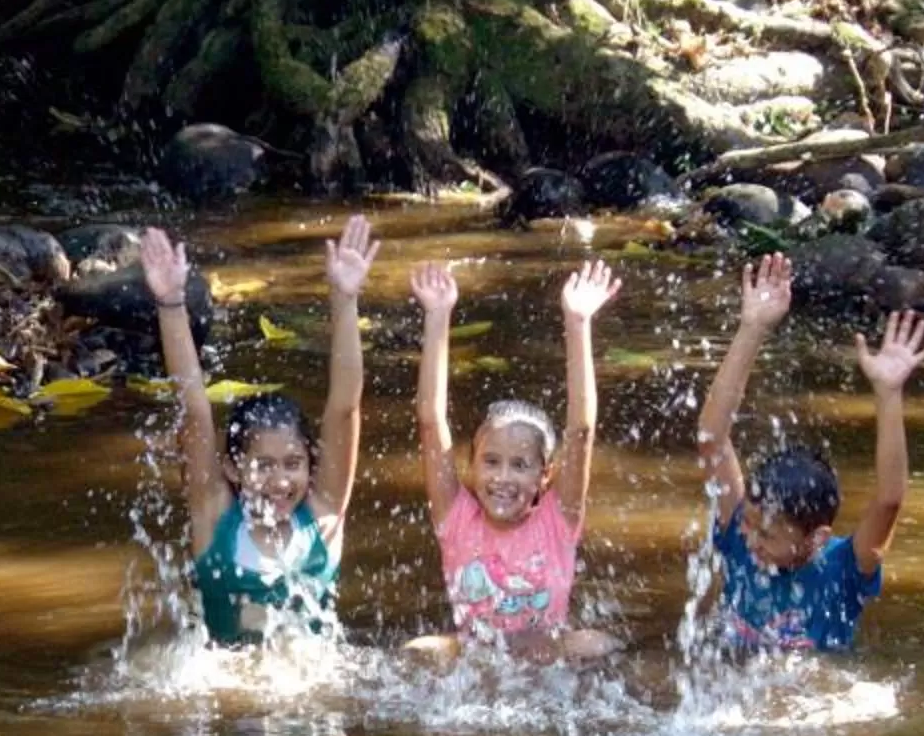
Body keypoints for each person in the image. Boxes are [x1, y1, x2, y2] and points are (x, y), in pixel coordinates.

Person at [139, 215, 378, 646]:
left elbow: (345, 407)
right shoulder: (214, 517)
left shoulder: (323, 516)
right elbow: (194, 411)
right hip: (224, 682)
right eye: (263, 465)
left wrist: (345, 299)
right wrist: (171, 305)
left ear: (311, 463)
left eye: (292, 463)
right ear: (232, 468)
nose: (280, 481)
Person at [695, 252, 924, 651]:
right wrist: (752, 328)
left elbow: (889, 500)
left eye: (767, 534)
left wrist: (888, 394)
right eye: (750, 525)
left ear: (817, 539)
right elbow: (711, 439)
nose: (751, 540)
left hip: (814, 685)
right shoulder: (742, 534)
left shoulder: (844, 568)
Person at [409, 253, 622, 663]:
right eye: (491, 461)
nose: (502, 478)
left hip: (546, 659)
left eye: (520, 465)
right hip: (478, 657)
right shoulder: (456, 517)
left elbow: (580, 431)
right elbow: (431, 422)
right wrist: (437, 317)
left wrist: (578, 323)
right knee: (418, 651)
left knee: (600, 645)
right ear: (472, 467)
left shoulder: (558, 518)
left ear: (546, 475)